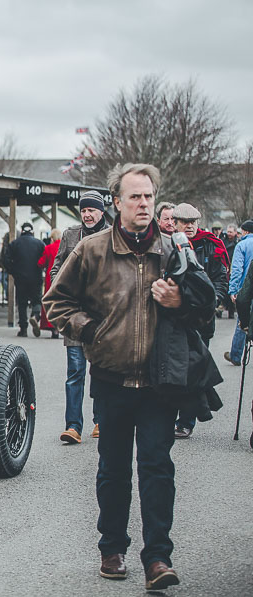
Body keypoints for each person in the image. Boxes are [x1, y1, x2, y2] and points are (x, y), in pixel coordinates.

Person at [45, 163, 211, 591]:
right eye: (134, 196)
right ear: (115, 202)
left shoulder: (175, 249)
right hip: (112, 378)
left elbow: (207, 311)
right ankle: (112, 548)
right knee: (114, 469)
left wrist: (178, 300)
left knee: (157, 468)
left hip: (161, 381)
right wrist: (92, 332)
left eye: (149, 196)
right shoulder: (92, 250)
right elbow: (56, 303)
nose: (143, 203)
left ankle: (158, 557)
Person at [50, 189, 110, 443]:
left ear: (102, 212)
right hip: (75, 315)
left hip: (104, 317)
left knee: (101, 371)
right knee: (75, 370)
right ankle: (73, 425)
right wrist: (62, 292)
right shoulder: (70, 235)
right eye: (83, 210)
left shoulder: (113, 236)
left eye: (91, 210)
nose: (87, 214)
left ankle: (101, 420)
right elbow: (56, 268)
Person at [169, 203, 229, 438]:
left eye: (193, 221)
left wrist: (212, 302)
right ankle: (170, 415)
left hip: (201, 318)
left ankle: (186, 421)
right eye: (185, 222)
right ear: (175, 223)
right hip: (174, 319)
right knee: (174, 370)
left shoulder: (211, 246)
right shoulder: (167, 244)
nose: (190, 226)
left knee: (194, 370)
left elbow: (220, 278)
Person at [3, 222, 45, 337]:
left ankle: (23, 329)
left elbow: (6, 259)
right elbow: (44, 259)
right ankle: (35, 316)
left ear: (21, 231)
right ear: (32, 231)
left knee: (22, 303)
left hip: (20, 277)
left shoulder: (14, 244)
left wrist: (13, 271)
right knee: (37, 300)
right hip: (36, 277)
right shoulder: (40, 244)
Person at [226, 220, 253, 365]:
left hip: (246, 289)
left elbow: (237, 269)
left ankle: (236, 355)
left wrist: (233, 290)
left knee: (243, 322)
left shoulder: (241, 245)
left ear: (246, 232)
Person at [37, 228, 62, 339]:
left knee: (50, 303)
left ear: (52, 238)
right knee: (61, 302)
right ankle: (60, 326)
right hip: (63, 278)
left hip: (50, 279)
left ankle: (52, 327)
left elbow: (40, 263)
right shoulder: (64, 247)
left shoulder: (48, 248)